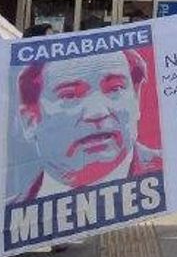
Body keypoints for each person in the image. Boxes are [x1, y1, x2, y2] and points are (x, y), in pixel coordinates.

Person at [15, 49, 162, 200]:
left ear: (136, 99)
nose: (97, 113)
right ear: (30, 120)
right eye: (69, 95)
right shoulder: (9, 214)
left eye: (115, 88)